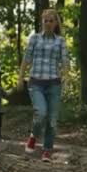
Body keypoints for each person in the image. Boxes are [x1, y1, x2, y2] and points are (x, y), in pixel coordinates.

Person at [18, 9, 69, 162]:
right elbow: (26, 59)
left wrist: (66, 77)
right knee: (41, 113)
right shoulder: (34, 38)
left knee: (52, 120)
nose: (47, 23)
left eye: (51, 21)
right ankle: (33, 137)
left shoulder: (60, 41)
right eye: (45, 20)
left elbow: (65, 61)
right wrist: (21, 77)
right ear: (42, 22)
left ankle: (47, 151)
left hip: (54, 83)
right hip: (36, 82)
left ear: (55, 24)